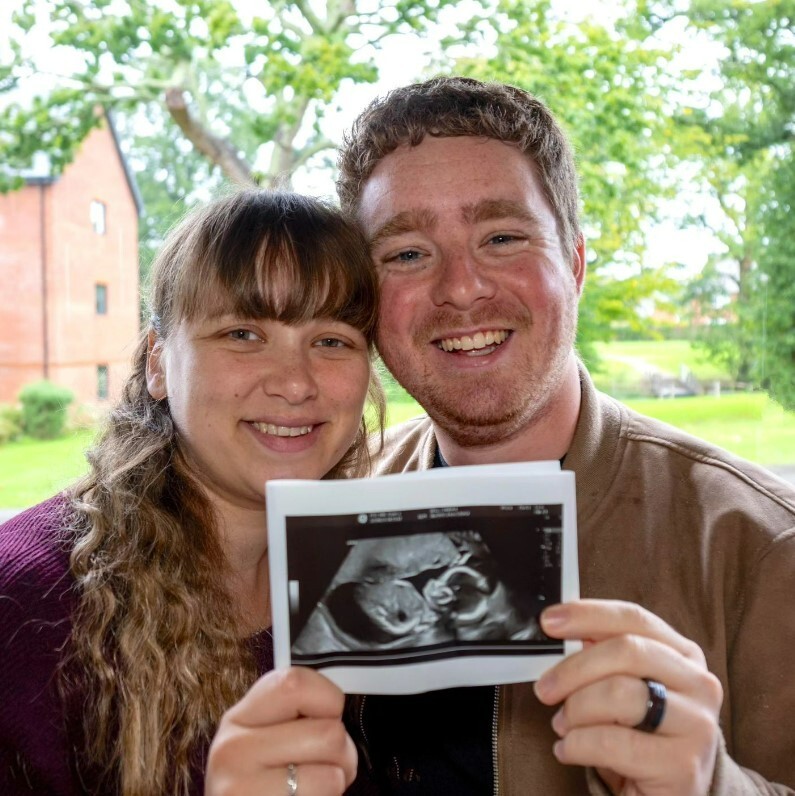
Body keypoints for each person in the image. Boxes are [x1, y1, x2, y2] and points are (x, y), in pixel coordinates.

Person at [330, 76, 795, 795]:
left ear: (574, 265)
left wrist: (712, 785)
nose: (460, 288)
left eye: (501, 237)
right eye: (407, 254)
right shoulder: (330, 514)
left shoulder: (760, 546)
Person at [0, 190, 381, 795]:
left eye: (332, 340)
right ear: (157, 361)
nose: (294, 383)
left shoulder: (368, 579)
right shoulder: (26, 604)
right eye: (242, 334)